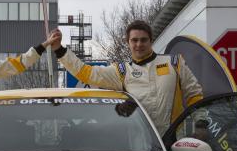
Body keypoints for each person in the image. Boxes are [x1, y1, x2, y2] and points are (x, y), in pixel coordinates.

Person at [50, 20, 203, 135]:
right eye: (134, 40)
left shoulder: (174, 63)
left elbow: (194, 95)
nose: (139, 44)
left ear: (151, 40)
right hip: (142, 146)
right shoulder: (121, 71)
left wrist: (202, 125)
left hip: (175, 141)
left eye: (144, 40)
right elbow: (86, 73)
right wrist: (58, 49)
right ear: (128, 42)